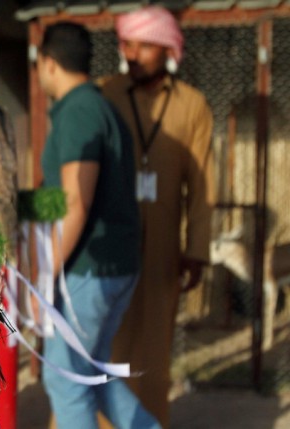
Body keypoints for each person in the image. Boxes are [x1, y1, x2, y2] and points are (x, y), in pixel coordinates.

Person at [37, 22, 160, 429]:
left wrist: (44, 271)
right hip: (113, 264)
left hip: (90, 269)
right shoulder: (99, 105)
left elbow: (77, 200)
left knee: (65, 378)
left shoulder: (79, 110)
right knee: (92, 375)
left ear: (48, 63)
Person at [99, 6, 215, 428]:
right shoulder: (106, 93)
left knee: (154, 353)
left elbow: (202, 185)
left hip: (165, 248)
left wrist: (197, 249)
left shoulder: (192, 107)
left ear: (167, 48)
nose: (131, 53)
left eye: (142, 46)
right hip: (110, 244)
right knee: (108, 345)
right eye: (126, 44)